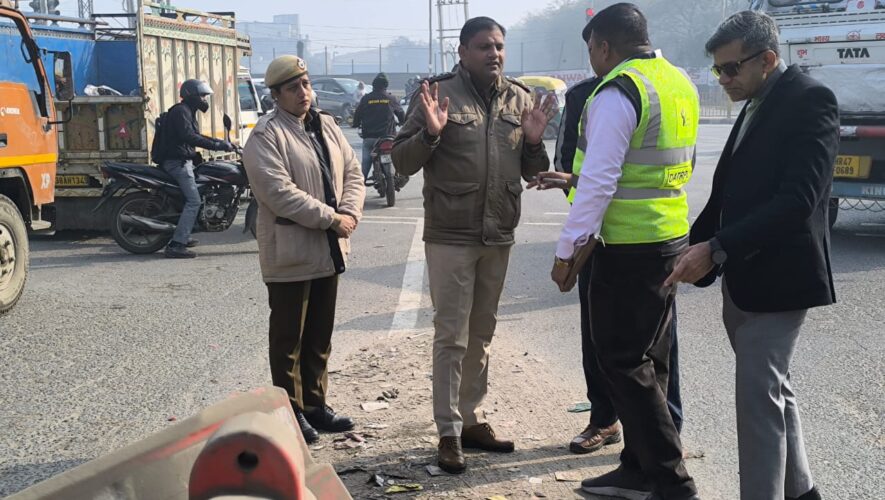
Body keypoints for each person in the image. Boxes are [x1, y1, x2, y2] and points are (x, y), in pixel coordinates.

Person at [665, 11, 837, 500]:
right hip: (744, 277)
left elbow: (798, 201)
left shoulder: (809, 100)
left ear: (767, 59)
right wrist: (690, 245)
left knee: (758, 404)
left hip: (780, 280)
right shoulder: (758, 100)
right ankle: (802, 491)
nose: (723, 79)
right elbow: (728, 193)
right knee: (774, 393)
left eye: (730, 68)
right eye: (717, 69)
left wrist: (718, 249)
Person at [392, 16, 555, 474]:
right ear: (462, 52)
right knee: (452, 335)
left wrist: (535, 143)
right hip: (451, 233)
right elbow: (402, 161)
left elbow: (532, 171)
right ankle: (447, 430)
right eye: (484, 46)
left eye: (499, 46)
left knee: (481, 333)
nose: (494, 54)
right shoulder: (436, 94)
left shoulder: (519, 98)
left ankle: (470, 419)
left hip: (498, 232)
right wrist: (431, 133)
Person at [549, 4, 699, 499]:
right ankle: (636, 467)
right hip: (668, 237)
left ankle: (671, 482)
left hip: (628, 247)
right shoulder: (678, 82)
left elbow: (598, 182)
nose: (592, 60)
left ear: (604, 46)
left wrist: (568, 251)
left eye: (591, 49)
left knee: (622, 362)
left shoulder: (618, 91)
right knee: (652, 360)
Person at [537, 70, 685, 456]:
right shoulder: (586, 95)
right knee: (604, 341)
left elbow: (662, 165)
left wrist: (566, 250)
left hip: (646, 237)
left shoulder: (659, 87)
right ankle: (608, 420)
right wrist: (577, 197)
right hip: (606, 239)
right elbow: (572, 162)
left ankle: (664, 438)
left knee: (651, 349)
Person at [242, 55, 366, 445]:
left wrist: (350, 212)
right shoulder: (266, 136)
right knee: (288, 341)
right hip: (291, 252)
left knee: (319, 335)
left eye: (306, 84)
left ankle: (315, 404)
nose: (303, 93)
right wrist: (331, 218)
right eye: (293, 87)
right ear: (276, 95)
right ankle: (291, 412)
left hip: (329, 249)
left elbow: (353, 172)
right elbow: (278, 193)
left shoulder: (326, 125)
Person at [158, 79, 234, 258]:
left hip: (183, 161)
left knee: (202, 191)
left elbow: (196, 135)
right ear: (191, 95)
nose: (204, 99)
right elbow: (190, 137)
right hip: (177, 163)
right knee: (194, 201)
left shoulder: (187, 111)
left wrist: (221, 143)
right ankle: (176, 245)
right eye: (202, 96)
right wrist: (216, 146)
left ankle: (185, 232)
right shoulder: (180, 111)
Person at [352, 73, 405, 181]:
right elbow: (401, 114)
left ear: (373, 85)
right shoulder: (391, 98)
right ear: (386, 85)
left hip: (370, 138)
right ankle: (401, 175)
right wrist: (402, 122)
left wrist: (355, 124)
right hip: (388, 138)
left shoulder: (366, 98)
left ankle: (360, 184)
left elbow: (357, 114)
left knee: (366, 162)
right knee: (398, 155)